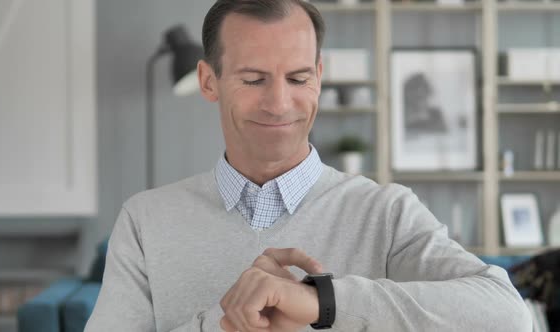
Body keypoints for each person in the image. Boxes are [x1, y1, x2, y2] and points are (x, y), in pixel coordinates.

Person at [85, 1, 531, 331]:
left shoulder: (386, 212)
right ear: (208, 81)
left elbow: (509, 316)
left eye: (298, 79)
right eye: (254, 79)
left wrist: (322, 302)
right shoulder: (145, 221)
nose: (280, 103)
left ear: (319, 75)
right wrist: (223, 324)